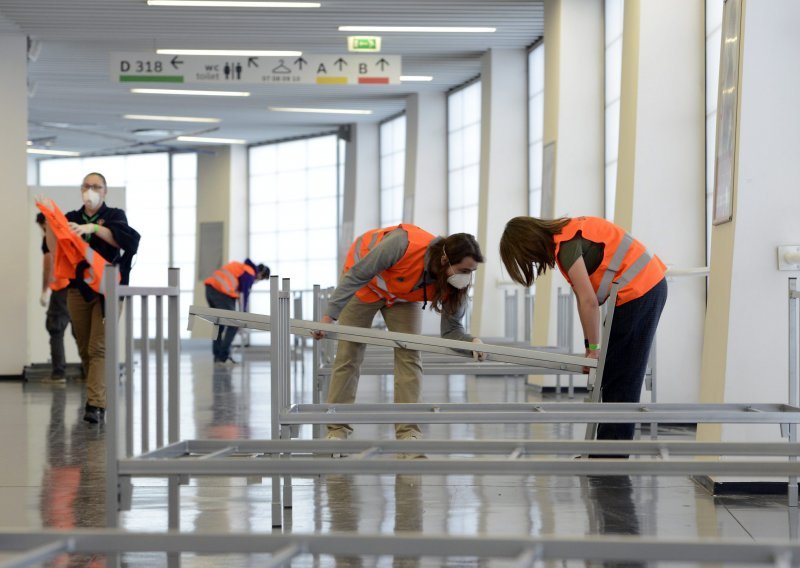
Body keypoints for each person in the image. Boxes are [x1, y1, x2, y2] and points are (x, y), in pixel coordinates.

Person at [499, 216, 667, 448]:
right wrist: (591, 348)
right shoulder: (566, 236)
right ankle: (603, 453)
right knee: (613, 376)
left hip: (642, 288)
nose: (534, 263)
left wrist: (595, 350)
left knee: (621, 379)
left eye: (528, 258)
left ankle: (611, 458)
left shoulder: (567, 247)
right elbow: (583, 299)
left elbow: (589, 302)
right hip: (640, 288)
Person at [312, 224, 485, 444]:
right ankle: (337, 430)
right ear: (444, 261)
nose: (467, 278)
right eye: (464, 271)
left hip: (402, 298)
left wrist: (472, 342)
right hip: (366, 286)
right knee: (349, 353)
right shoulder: (403, 243)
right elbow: (358, 275)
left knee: (410, 355)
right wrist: (329, 318)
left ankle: (408, 431)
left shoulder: (455, 286)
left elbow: (452, 331)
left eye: (472, 272)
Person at [39, 172, 140, 424]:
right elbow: (54, 248)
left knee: (99, 347)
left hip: (108, 290)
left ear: (105, 191)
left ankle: (95, 404)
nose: (90, 190)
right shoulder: (71, 217)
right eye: (86, 186)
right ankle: (96, 392)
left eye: (96, 186)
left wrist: (93, 228)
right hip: (78, 289)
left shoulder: (115, 215)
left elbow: (126, 241)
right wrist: (53, 224)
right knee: (84, 346)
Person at [204, 259, 270, 365]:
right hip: (222, 292)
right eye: (261, 279)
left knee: (218, 325)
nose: (258, 281)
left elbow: (239, 295)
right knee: (234, 324)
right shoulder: (250, 273)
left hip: (210, 289)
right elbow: (245, 296)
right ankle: (223, 357)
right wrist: (242, 315)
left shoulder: (241, 267)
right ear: (261, 274)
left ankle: (217, 356)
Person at [36, 213, 74, 384]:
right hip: (75, 287)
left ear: (44, 223)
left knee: (55, 329)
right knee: (79, 331)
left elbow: (48, 264)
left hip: (61, 289)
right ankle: (92, 373)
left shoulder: (49, 238)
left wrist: (44, 290)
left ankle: (58, 374)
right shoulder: (63, 233)